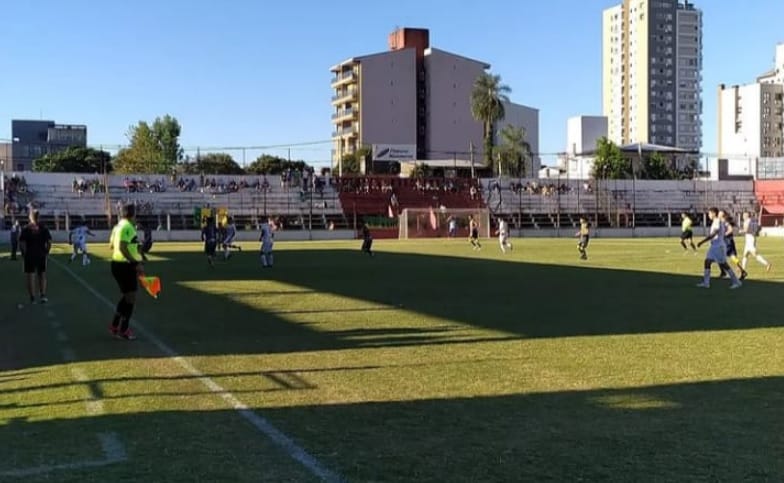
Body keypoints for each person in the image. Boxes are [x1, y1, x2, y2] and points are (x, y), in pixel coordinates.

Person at [109, 204, 143, 340]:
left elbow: (111, 245)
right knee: (131, 298)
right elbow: (123, 247)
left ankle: (115, 325)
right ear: (132, 215)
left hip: (118, 264)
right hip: (125, 265)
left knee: (127, 296)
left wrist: (137, 253)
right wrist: (135, 262)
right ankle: (123, 330)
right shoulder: (127, 227)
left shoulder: (117, 227)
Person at [696, 207, 741, 289]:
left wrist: (702, 242)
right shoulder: (716, 221)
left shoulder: (717, 221)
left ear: (713, 213)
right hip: (714, 246)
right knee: (707, 261)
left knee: (724, 264)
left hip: (718, 246)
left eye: (709, 213)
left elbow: (713, 234)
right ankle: (706, 283)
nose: (708, 215)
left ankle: (736, 281)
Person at [19, 210, 52, 304]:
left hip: (29, 254)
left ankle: (32, 297)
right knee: (42, 275)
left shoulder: (26, 228)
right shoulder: (44, 228)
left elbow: (21, 243)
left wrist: (23, 253)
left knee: (31, 275)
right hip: (41, 254)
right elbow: (49, 242)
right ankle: (43, 295)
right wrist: (47, 251)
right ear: (39, 217)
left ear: (30, 217)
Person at [718, 213, 748, 280]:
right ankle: (742, 271)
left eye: (719, 213)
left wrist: (724, 235)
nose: (718, 214)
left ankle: (723, 272)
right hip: (729, 242)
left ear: (722, 215)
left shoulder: (725, 222)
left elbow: (730, 229)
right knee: (732, 257)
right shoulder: (723, 222)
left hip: (727, 242)